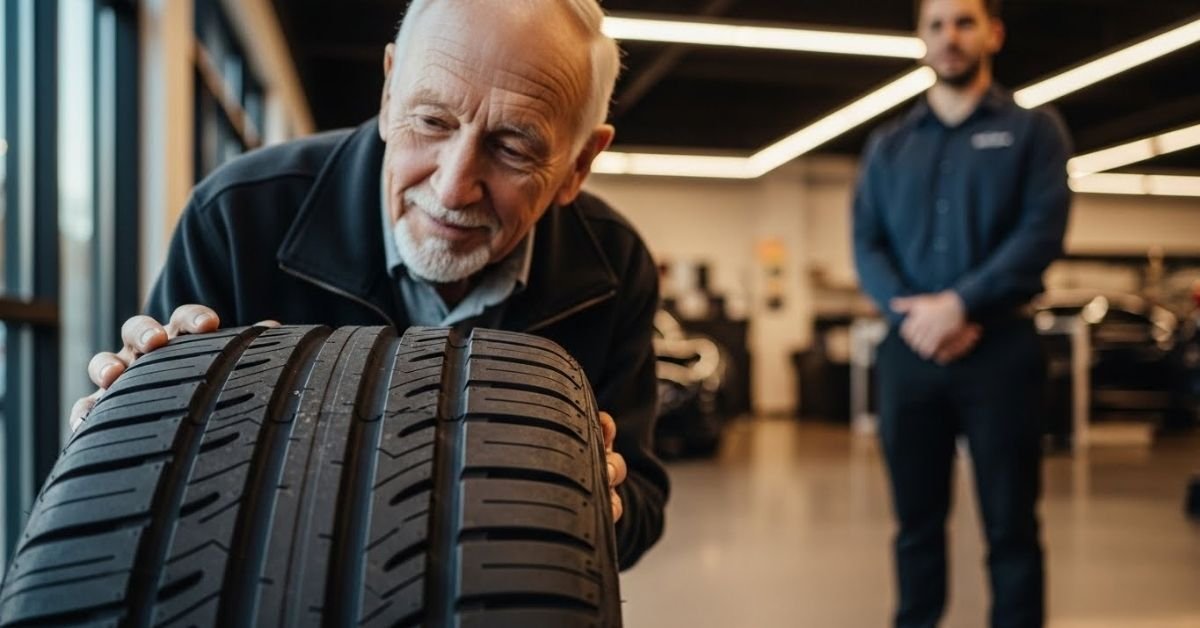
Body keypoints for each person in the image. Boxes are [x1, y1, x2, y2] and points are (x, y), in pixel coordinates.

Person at [69, 0, 668, 569]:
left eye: (512, 147)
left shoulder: (613, 269)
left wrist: (593, 494)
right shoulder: (237, 218)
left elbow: (639, 506)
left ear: (580, 164)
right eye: (432, 121)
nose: (454, 187)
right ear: (388, 93)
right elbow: (147, 520)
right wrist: (137, 428)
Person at [852, 0, 1071, 625]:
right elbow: (866, 243)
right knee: (915, 526)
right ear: (921, 39)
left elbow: (1041, 234)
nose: (950, 36)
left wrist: (959, 304)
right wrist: (915, 320)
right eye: (937, 25)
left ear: (993, 33)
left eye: (965, 21)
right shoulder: (888, 145)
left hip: (1001, 351)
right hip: (908, 354)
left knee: (1011, 524)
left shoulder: (1035, 132)